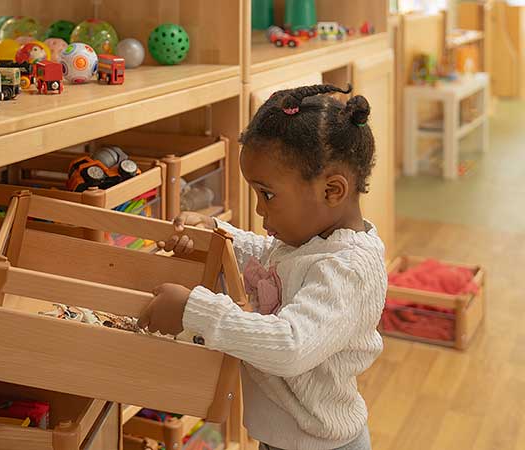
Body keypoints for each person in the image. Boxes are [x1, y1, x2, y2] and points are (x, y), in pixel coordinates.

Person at [138, 84, 388, 450]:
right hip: (284, 439)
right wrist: (217, 234)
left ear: (333, 191)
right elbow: (271, 258)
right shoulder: (305, 244)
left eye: (267, 194)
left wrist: (196, 311)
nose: (259, 209)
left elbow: (291, 346)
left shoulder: (348, 269)